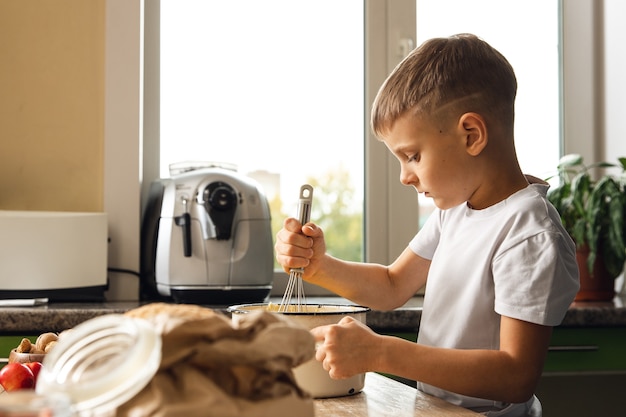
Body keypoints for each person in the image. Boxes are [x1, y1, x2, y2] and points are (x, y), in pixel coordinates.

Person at [274, 34, 579, 417]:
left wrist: (381, 351)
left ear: (472, 135)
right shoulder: (455, 212)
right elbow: (391, 285)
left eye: (413, 156)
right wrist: (320, 266)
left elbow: (516, 376)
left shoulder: (529, 233)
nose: (405, 177)